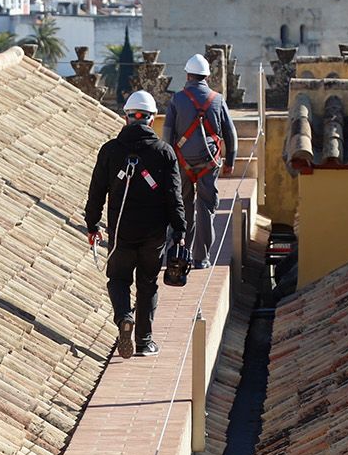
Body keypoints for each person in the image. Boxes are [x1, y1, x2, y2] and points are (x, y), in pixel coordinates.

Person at [85, 90, 188, 359]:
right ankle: (144, 341)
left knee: (118, 279)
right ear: (152, 120)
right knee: (148, 283)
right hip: (154, 235)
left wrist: (92, 224)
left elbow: (96, 191)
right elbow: (174, 195)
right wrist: (180, 230)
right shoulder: (164, 152)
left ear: (126, 118)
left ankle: (123, 318)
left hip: (121, 232)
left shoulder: (110, 151)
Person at [164, 54, 239, 269]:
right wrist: (230, 161)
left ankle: (182, 253)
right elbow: (230, 133)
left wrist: (169, 165)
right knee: (205, 207)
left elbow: (167, 135)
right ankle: (201, 258)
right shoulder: (217, 99)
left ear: (187, 75)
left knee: (184, 205)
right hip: (209, 162)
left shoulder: (177, 99)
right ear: (207, 76)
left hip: (182, 162)